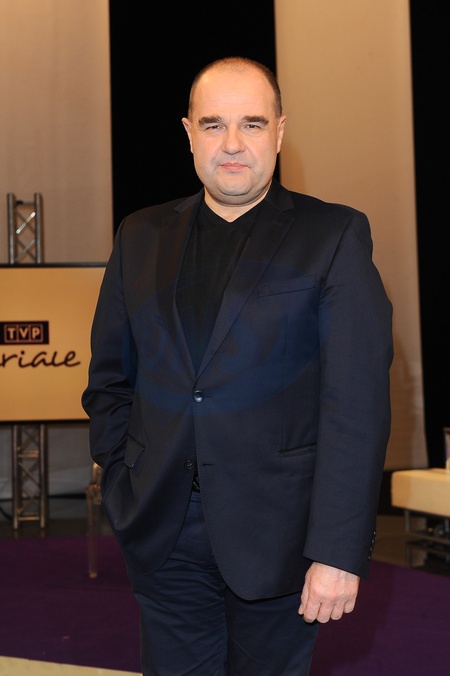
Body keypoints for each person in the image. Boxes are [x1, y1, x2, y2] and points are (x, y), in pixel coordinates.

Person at [82, 56, 393, 675]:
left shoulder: (333, 235)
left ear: (280, 132)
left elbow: (355, 406)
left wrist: (337, 549)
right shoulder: (140, 234)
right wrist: (124, 483)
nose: (231, 144)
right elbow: (111, 380)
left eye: (252, 124)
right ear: (188, 132)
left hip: (283, 539)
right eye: (213, 124)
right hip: (162, 531)